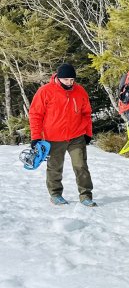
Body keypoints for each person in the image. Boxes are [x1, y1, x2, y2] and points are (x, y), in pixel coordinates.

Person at [28, 62, 96, 206]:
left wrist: (87, 133)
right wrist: (36, 137)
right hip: (53, 138)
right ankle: (55, 194)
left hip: (76, 136)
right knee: (55, 167)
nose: (70, 83)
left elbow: (86, 113)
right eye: (66, 80)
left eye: (72, 80)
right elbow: (35, 115)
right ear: (58, 78)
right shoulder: (45, 91)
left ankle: (86, 195)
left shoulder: (80, 91)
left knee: (81, 166)